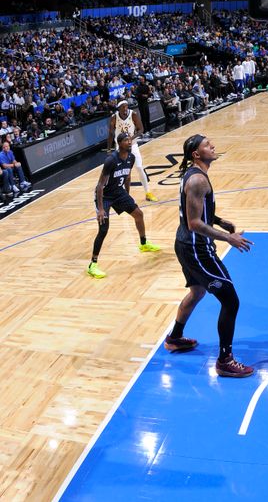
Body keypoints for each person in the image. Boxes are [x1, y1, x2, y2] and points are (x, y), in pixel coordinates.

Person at [167, 134, 255, 378]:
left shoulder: (195, 175)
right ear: (196, 154)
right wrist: (229, 238)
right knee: (230, 300)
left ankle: (174, 337)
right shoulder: (197, 180)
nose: (213, 146)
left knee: (197, 292)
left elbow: (194, 210)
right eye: (207, 144)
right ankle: (225, 360)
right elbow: (194, 222)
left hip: (185, 243)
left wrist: (218, 220)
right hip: (196, 249)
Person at [87, 133, 161, 279]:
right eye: (126, 140)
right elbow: (100, 185)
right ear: (119, 143)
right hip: (105, 196)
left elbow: (127, 177)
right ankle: (93, 265)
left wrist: (127, 195)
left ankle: (143, 243)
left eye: (130, 140)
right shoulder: (111, 160)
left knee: (138, 214)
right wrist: (101, 209)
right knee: (103, 229)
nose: (129, 142)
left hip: (119, 193)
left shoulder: (131, 158)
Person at [108, 100, 157, 202]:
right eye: (123, 107)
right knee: (124, 172)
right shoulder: (114, 117)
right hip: (120, 148)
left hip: (132, 145)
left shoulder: (133, 114)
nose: (125, 109)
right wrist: (109, 148)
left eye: (126, 106)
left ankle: (148, 192)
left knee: (139, 167)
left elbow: (141, 129)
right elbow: (111, 134)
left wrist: (131, 138)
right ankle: (125, 196)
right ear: (119, 108)